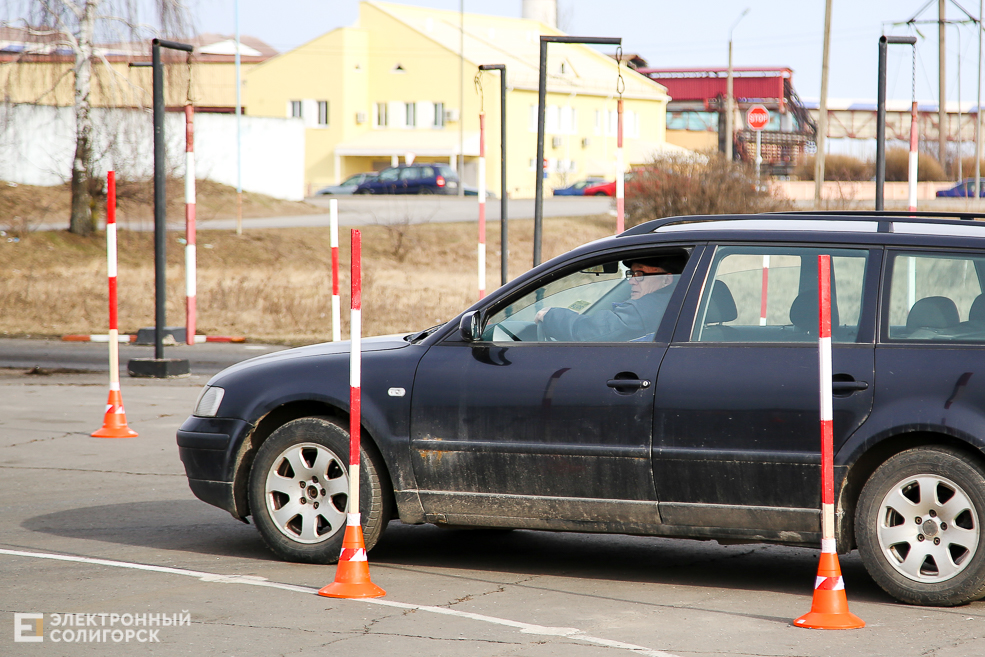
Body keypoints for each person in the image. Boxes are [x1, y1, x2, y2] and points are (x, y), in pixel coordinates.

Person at [534, 254, 687, 342]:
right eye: (631, 274)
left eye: (639, 274)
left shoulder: (647, 309)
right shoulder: (681, 302)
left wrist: (550, 315)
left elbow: (589, 332)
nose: (632, 281)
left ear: (667, 280)